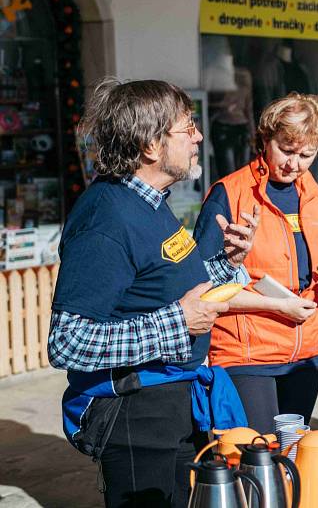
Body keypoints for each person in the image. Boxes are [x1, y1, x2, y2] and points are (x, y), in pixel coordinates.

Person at [48, 78, 258, 507]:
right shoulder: (105, 220)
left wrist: (229, 264)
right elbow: (67, 343)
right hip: (133, 414)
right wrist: (179, 322)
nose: (199, 136)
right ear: (149, 145)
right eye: (187, 127)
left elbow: (167, 288)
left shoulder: (150, 200)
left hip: (172, 404)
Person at [194, 93, 318, 434]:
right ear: (266, 138)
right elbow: (202, 288)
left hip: (306, 347)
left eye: (306, 155)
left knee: (292, 454)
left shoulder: (313, 196)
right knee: (257, 458)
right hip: (247, 352)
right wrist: (278, 305)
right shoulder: (229, 193)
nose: (293, 164)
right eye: (286, 149)